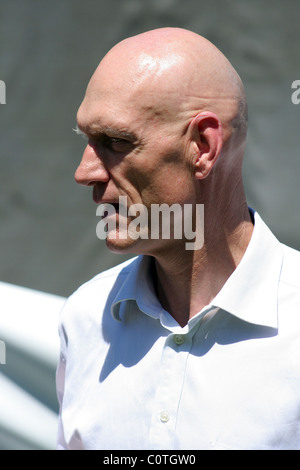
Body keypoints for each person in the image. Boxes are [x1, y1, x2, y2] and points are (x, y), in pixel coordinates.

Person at [56, 27, 300, 450]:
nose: (85, 173)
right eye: (87, 140)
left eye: (115, 142)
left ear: (203, 146)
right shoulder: (85, 320)